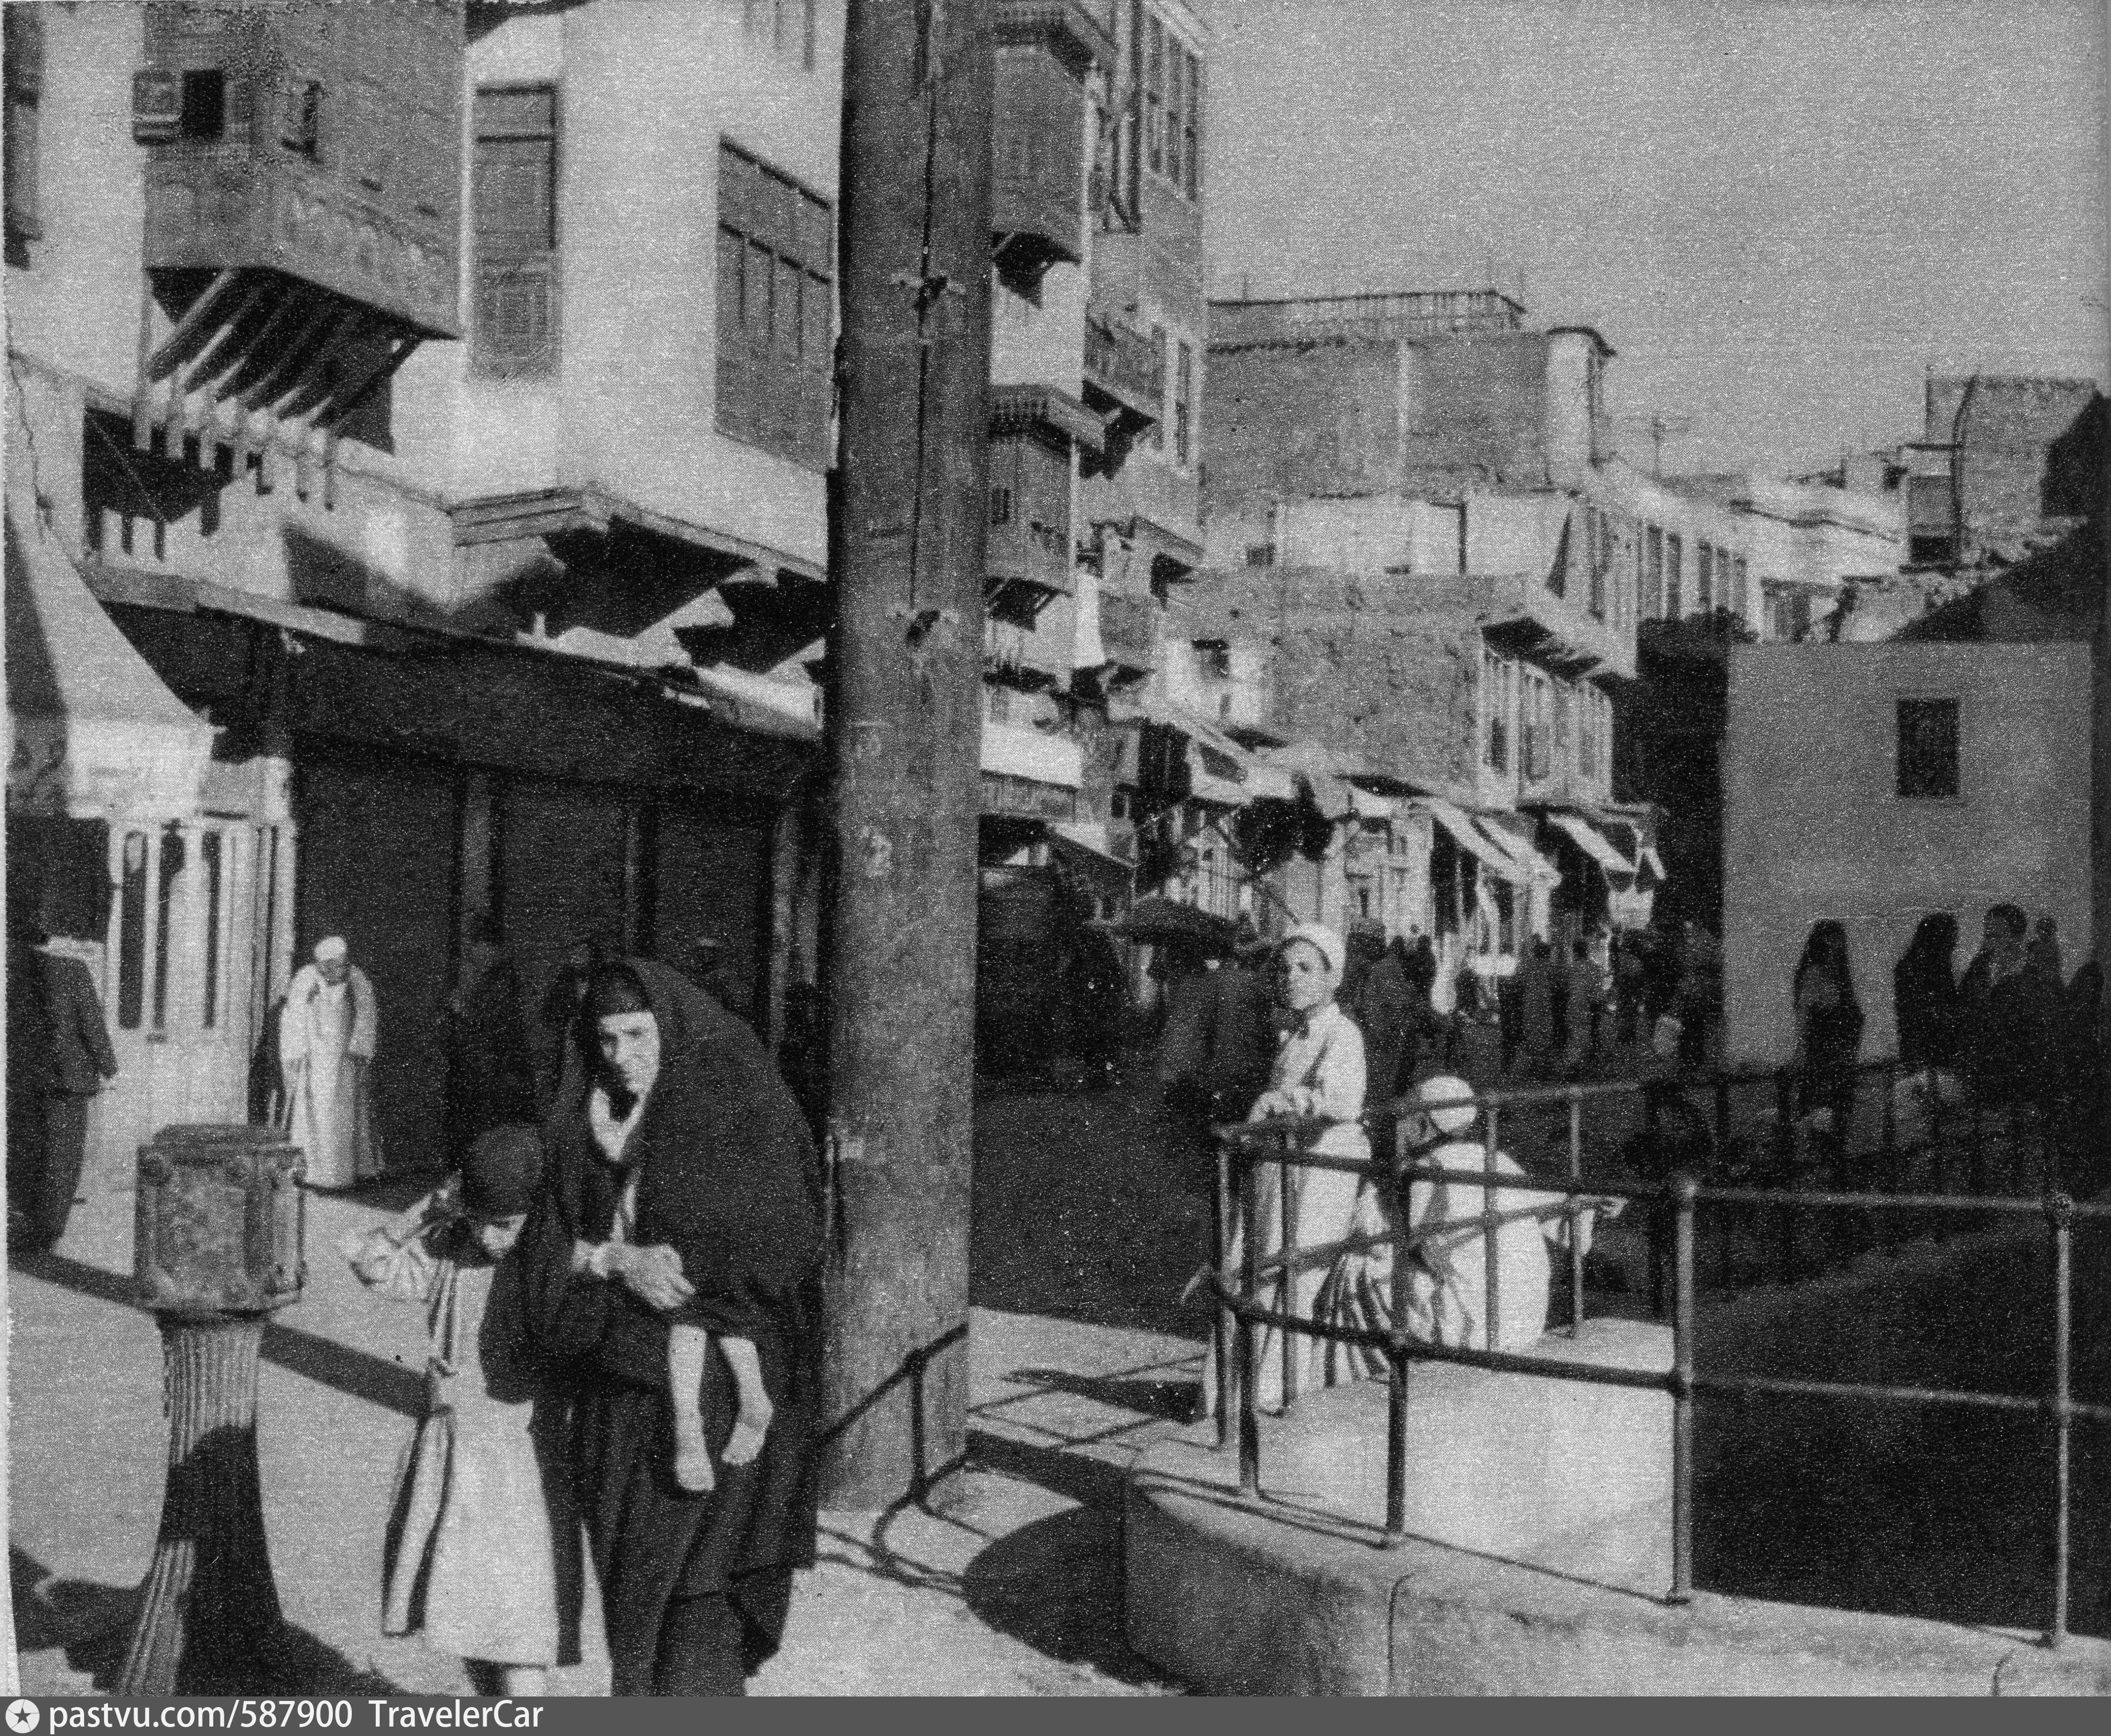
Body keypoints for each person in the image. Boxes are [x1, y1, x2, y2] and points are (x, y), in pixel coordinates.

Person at [514, 959, 823, 1696]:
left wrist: (703, 1278)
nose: (621, 1055)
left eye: (637, 1034)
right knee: (640, 1607)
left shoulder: (734, 1104)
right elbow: (535, 1246)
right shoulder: (581, 1122)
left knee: (695, 1604)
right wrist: (616, 1257)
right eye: (606, 1038)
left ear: (672, 1031)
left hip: (720, 1407)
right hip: (619, 1405)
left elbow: (785, 1250)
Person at [346, 1125, 582, 1696]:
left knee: (520, 1625)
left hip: (518, 1461)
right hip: (453, 1449)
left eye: (507, 1223)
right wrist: (426, 1211)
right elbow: (371, 1261)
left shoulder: (549, 1263)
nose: (490, 1236)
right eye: (479, 1220)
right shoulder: (452, 1249)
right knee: (468, 1619)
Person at [1204, 923, 1369, 1415]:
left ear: (1332, 978)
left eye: (1305, 968)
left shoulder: (1342, 1033)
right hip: (1282, 1169)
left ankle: (1269, 1396)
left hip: (1318, 1174)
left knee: (1289, 1278)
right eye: (1284, 968)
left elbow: (1342, 1099)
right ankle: (1233, 1397)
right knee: (1254, 1269)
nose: (1291, 977)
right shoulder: (1295, 1033)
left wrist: (1281, 1101)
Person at [24, 925, 119, 1251]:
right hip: (65, 1080)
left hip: (26, 1077)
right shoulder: (70, 970)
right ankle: (48, 1231)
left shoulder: (15, 969)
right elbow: (91, 1023)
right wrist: (110, 1069)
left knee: (31, 1150)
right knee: (62, 1154)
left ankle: (26, 1222)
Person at [280, 936, 381, 1189]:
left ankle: (342, 1175)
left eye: (341, 963)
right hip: (316, 1057)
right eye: (331, 965)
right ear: (321, 964)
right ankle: (313, 1173)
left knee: (343, 1113)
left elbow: (366, 1014)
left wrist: (361, 1051)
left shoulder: (356, 979)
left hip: (344, 1058)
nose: (337, 970)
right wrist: (295, 1053)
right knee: (314, 1111)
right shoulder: (306, 978)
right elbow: (293, 1015)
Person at [442, 917, 536, 1169]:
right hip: (486, 1068)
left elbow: (495, 1027)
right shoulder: (488, 977)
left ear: (491, 947)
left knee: (490, 1128)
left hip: (496, 1070)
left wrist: (463, 1011)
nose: (472, 952)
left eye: (477, 945)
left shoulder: (501, 980)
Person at [1958, 904, 2055, 1106]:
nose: (1987, 942)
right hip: (1979, 1061)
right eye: (1987, 935)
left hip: (2016, 1067)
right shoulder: (1980, 965)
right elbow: (1963, 1005)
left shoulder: (2032, 972)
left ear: (2016, 938)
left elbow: (2037, 1027)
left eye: (1995, 936)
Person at [1792, 920, 1865, 1154]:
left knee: (1837, 1117)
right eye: (1832, 939)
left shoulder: (1841, 977)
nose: (1838, 945)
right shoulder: (1815, 975)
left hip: (1842, 1059)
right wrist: (1802, 1053)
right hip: (1823, 1058)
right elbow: (1804, 1017)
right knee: (1822, 1117)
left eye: (1839, 939)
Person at [1342, 917, 1412, 1115]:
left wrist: (1379, 1034)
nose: (1354, 948)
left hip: (1376, 1044)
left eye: (1358, 943)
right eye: (1353, 943)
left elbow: (1392, 1012)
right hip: (1366, 1042)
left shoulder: (1384, 970)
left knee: (1374, 1097)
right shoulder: (1367, 968)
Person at [1892, 913, 1962, 1076]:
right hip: (1931, 1041)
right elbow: (1943, 1004)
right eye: (1952, 937)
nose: (1955, 943)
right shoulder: (1936, 967)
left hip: (1916, 1040)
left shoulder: (1910, 964)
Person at [1675, 919, 1721, 1067]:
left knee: (1693, 1025)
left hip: (1696, 991)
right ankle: (1691, 1057)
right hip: (1693, 991)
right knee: (1692, 1025)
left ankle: (1692, 1058)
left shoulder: (1704, 941)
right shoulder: (1699, 942)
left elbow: (1712, 962)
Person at [1513, 940, 1558, 1078]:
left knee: (1532, 1033)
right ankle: (1543, 1066)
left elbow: (1517, 981)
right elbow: (1557, 983)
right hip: (1545, 1004)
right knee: (1545, 1033)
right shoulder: (1550, 967)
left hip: (1530, 1004)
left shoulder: (1526, 966)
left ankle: (1533, 1065)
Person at [1562, 938, 1603, 1073]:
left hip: (1575, 1004)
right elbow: (1597, 991)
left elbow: (1566, 987)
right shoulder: (1594, 968)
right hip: (1591, 1005)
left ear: (1575, 952)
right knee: (1592, 1032)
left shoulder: (1571, 969)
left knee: (1575, 1032)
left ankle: (1575, 1062)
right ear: (1587, 951)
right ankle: (1590, 1061)